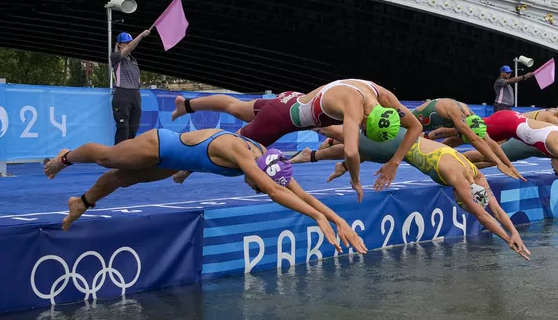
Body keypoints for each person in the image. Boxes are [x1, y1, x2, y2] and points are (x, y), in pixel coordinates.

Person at [41, 129, 365, 254]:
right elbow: (275, 192)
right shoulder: (246, 156)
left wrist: (337, 220)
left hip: (178, 159)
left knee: (124, 179)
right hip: (161, 143)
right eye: (257, 187)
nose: (255, 190)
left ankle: (82, 202)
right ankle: (66, 157)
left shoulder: (269, 158)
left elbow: (299, 193)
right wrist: (316, 220)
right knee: (108, 157)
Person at [296, 127, 530, 260]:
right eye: (462, 203)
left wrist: (514, 234)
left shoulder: (476, 176)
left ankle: (318, 156)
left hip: (402, 144)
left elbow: (495, 208)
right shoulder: (458, 179)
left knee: (362, 151)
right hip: (399, 145)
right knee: (347, 139)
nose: (459, 202)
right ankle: (303, 116)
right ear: (464, 197)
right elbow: (484, 215)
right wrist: (508, 239)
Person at [172, 79, 420, 199]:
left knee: (237, 108)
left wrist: (395, 162)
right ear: (367, 120)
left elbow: (415, 126)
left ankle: (187, 105)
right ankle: (186, 166)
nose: (361, 131)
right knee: (232, 148)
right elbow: (352, 153)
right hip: (281, 119)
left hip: (289, 100)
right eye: (364, 130)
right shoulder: (354, 110)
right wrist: (356, 181)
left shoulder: (382, 95)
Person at [411, 97, 522, 179]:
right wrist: (498, 163)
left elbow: (489, 142)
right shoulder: (456, 113)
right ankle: (427, 137)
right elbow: (474, 140)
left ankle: (428, 139)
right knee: (458, 135)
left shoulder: (471, 117)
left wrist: (509, 165)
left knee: (457, 136)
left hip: (425, 126)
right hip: (407, 125)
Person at [110, 30, 152, 144]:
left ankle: (128, 155)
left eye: (130, 42)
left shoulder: (133, 60)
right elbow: (129, 49)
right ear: (119, 44)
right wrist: (141, 35)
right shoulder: (116, 57)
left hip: (135, 94)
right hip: (122, 93)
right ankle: (118, 156)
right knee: (123, 127)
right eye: (126, 42)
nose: (129, 44)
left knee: (133, 127)